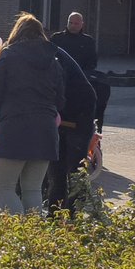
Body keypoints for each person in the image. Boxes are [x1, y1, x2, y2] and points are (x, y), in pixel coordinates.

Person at [0, 13, 63, 215]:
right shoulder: (53, 60)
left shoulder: (8, 55)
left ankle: (19, 232)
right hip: (45, 130)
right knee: (33, 189)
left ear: (17, 32)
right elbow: (61, 99)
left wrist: (1, 115)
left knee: (4, 188)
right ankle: (33, 232)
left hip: (14, 128)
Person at [47, 42, 98, 210]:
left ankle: (74, 212)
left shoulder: (52, 58)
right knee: (56, 170)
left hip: (79, 115)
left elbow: (57, 91)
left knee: (74, 169)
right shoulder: (45, 54)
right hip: (63, 115)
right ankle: (55, 213)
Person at [50, 12, 110, 129]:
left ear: (82, 24)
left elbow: (92, 62)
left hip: (80, 77)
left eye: (76, 23)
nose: (73, 26)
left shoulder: (88, 41)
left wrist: (81, 74)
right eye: (71, 23)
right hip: (60, 77)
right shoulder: (57, 38)